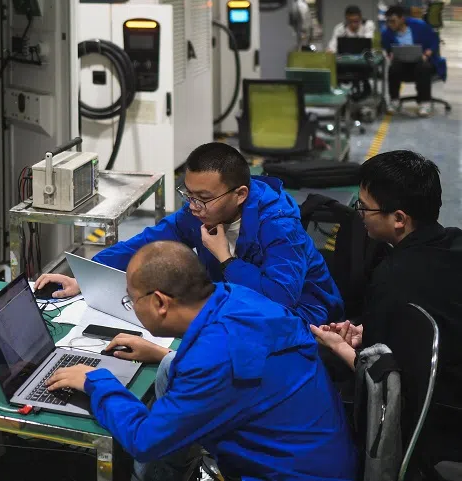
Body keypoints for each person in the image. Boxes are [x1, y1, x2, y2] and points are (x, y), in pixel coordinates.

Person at [46, 241, 357, 481]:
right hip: (319, 457)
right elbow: (239, 371)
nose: (132, 307)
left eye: (132, 300)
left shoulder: (215, 359)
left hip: (285, 474)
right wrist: (165, 355)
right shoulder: (236, 297)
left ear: (159, 303)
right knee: (169, 370)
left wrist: (97, 381)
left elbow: (145, 440)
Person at [35, 142, 343, 325]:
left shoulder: (279, 225)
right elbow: (150, 241)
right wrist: (90, 275)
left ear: (240, 194)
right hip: (241, 304)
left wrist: (225, 258)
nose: (194, 206)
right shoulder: (202, 209)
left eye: (204, 198)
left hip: (305, 317)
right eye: (188, 195)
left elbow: (280, 300)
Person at [312, 150, 462, 466]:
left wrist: (340, 346)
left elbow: (380, 380)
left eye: (364, 207)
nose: (359, 214)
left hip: (438, 415)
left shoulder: (392, 277)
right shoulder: (454, 243)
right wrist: (371, 330)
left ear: (398, 219)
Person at [381, 5, 447, 117]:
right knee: (393, 68)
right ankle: (394, 101)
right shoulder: (387, 33)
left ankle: (425, 102)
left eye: (393, 21)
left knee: (422, 67)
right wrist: (390, 54)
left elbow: (434, 41)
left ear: (402, 18)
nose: (390, 24)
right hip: (403, 64)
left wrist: (428, 53)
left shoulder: (419, 26)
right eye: (388, 22)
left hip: (423, 62)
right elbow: (388, 49)